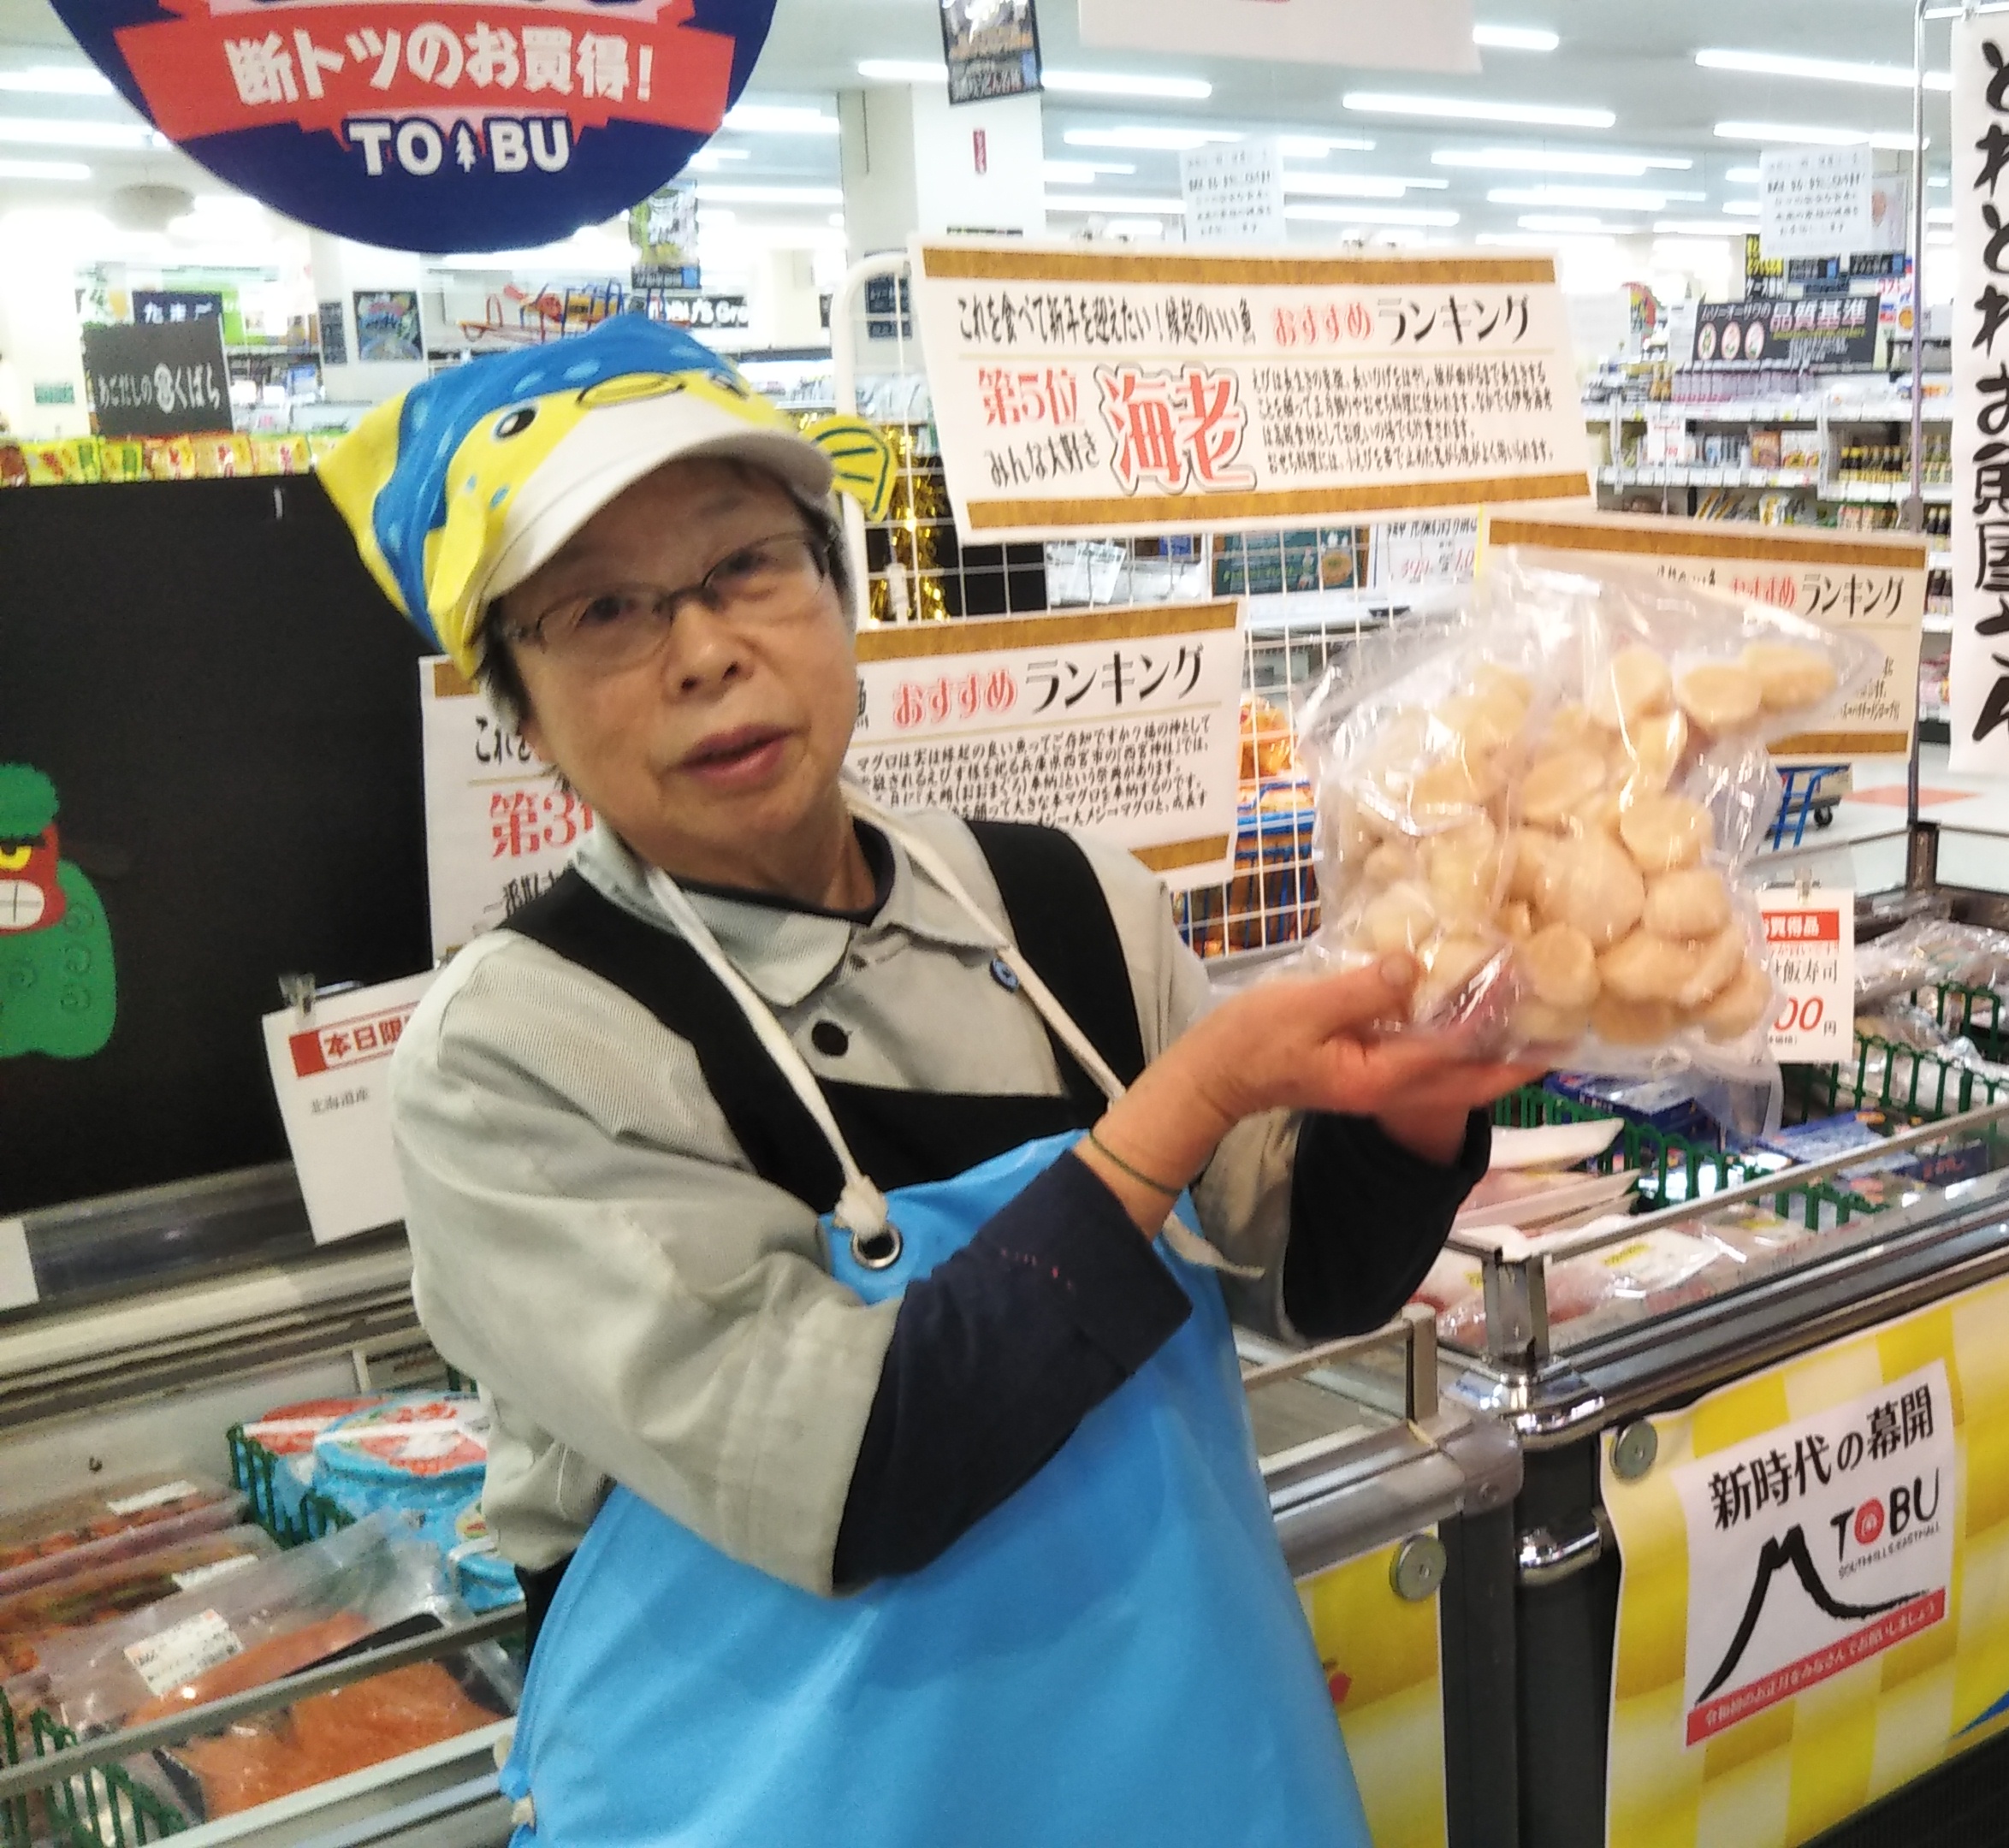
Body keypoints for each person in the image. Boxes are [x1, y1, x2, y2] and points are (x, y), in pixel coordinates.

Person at [318, 316, 1538, 1844]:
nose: (705, 651)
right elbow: (859, 1469)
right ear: (518, 710)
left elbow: (1309, 1276)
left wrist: (1427, 1093)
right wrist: (1190, 1101)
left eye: (745, 565)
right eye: (605, 610)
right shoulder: (519, 1055)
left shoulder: (1064, 908)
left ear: (840, 593)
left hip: (1181, 1772)